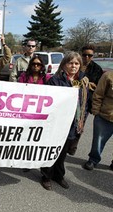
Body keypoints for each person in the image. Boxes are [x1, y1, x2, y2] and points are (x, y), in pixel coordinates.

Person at [40, 52, 89, 190]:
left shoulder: (83, 81)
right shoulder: (55, 80)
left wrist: (82, 119)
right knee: (52, 150)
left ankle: (58, 176)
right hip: (58, 122)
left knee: (63, 152)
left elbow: (85, 102)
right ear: (64, 64)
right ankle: (46, 176)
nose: (74, 66)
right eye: (71, 63)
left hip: (74, 123)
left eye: (77, 63)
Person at [83, 71, 113, 171]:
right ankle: (93, 160)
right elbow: (98, 94)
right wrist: (96, 111)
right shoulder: (108, 75)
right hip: (105, 116)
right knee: (98, 141)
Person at [81, 45, 104, 113]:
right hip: (74, 98)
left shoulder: (97, 69)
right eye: (84, 55)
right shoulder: (75, 66)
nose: (87, 57)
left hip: (88, 101)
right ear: (81, 55)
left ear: (93, 56)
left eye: (90, 55)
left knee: (81, 122)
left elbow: (98, 87)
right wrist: (88, 84)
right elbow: (70, 82)